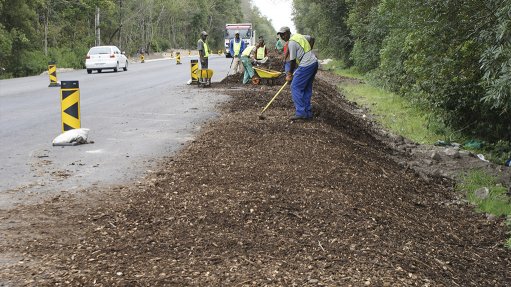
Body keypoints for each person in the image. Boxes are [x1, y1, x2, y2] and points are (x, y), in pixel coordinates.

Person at [277, 26, 318, 121]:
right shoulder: (298, 36)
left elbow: (292, 62)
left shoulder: (292, 42)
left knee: (295, 86)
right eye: (280, 35)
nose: (282, 37)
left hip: (306, 64)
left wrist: (289, 74)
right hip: (313, 63)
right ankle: (308, 113)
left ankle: (301, 112)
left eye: (283, 35)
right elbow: (311, 38)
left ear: (287, 33)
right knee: (306, 88)